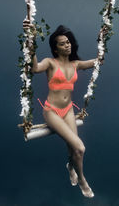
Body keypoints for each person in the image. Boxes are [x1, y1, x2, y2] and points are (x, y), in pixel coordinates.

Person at [24, 21, 95, 198]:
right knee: (79, 148)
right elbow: (34, 68)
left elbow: (95, 62)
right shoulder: (50, 62)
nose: (67, 45)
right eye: (62, 43)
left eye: (68, 42)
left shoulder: (75, 64)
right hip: (52, 112)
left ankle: (71, 165)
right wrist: (30, 40)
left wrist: (103, 40)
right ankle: (82, 180)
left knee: (73, 151)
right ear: (56, 49)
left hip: (68, 110)